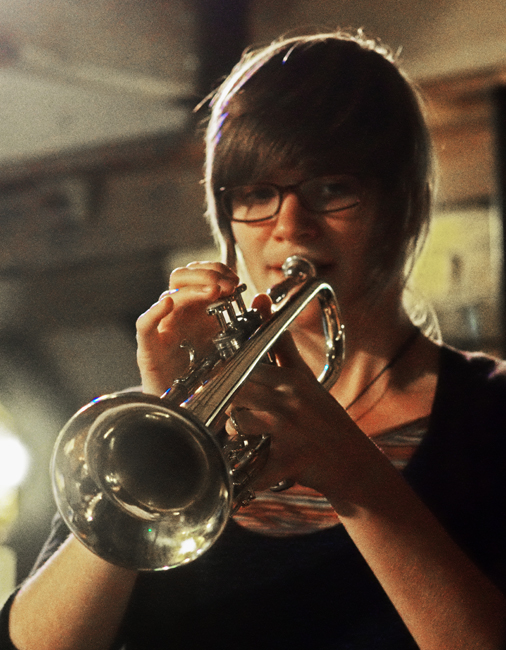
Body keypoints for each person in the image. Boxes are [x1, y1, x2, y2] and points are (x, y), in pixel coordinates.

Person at [2, 30, 506, 650]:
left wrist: (352, 473)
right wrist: (166, 426)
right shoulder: (162, 425)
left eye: (330, 188)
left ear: (401, 202)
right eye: (256, 194)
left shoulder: (490, 412)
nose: (289, 226)